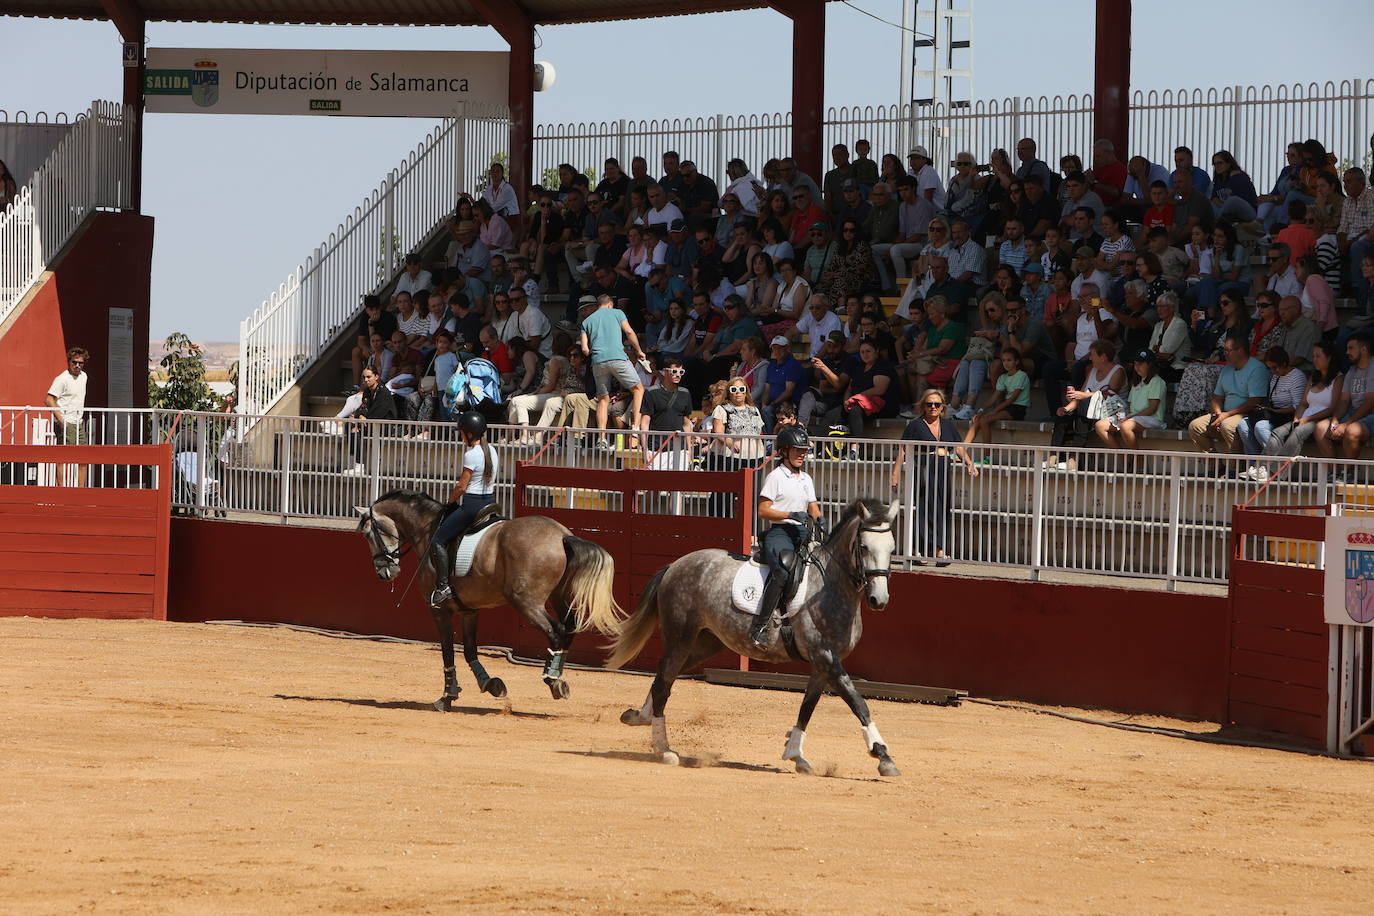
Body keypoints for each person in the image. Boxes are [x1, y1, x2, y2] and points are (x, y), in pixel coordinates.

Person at [752, 425, 823, 646]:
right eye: (796, 450)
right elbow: (762, 511)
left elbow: (813, 507)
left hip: (802, 532)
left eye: (804, 451)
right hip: (780, 532)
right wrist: (790, 514)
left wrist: (821, 520)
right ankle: (760, 627)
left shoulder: (806, 479)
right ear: (784, 451)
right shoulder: (776, 476)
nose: (802, 454)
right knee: (782, 572)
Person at [892, 389, 977, 566]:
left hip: (942, 469)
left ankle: (940, 550)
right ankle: (921, 550)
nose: (933, 407)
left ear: (942, 407)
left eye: (937, 404)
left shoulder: (948, 425)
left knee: (943, 509)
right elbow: (903, 449)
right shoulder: (915, 425)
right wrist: (895, 473)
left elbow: (959, 448)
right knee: (923, 509)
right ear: (923, 406)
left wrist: (969, 463)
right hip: (924, 470)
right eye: (929, 404)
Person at [426, 411, 499, 607]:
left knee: (438, 540)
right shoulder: (492, 450)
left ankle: (443, 587)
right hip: (490, 501)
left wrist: (449, 503)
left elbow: (461, 487)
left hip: (472, 505)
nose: (460, 435)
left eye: (462, 432)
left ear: (469, 433)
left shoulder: (471, 454)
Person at [1187, 331, 1271, 455]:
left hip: (1247, 414)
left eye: (1227, 350)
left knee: (1227, 425)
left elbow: (1255, 401)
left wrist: (1226, 415)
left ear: (1241, 351)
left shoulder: (1257, 368)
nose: (1224, 354)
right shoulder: (1227, 369)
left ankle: (1236, 468)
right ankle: (1214, 466)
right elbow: (1216, 398)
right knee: (1195, 426)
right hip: (1225, 414)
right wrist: (1218, 413)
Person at [581, 294, 646, 451]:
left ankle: (601, 439)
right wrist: (638, 351)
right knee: (638, 389)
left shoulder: (586, 321)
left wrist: (595, 353)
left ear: (598, 305)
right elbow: (629, 332)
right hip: (618, 358)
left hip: (598, 361)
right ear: (610, 304)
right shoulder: (617, 313)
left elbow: (584, 349)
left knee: (603, 399)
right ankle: (635, 428)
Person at [1260, 341, 1342, 464]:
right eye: (1313, 356)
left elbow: (1332, 408)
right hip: (1304, 419)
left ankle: (1275, 472)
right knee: (1278, 432)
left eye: (1318, 356)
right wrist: (1296, 418)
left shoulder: (1338, 379)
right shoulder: (1313, 378)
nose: (1314, 360)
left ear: (1329, 358)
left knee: (1297, 432)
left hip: (1322, 419)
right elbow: (1303, 403)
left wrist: (1307, 419)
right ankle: (1261, 467)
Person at [1049, 339, 1126, 468]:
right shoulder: (1092, 370)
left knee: (1084, 406)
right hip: (1090, 408)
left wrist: (1083, 396)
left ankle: (1073, 459)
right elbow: (1083, 394)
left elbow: (1109, 394)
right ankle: (1053, 457)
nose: (1090, 358)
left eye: (1092, 354)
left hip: (1112, 410)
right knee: (1064, 415)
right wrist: (1066, 408)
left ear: (1103, 357)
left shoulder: (1118, 371)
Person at [709, 376, 766, 514]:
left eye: (741, 389)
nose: (738, 393)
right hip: (729, 457)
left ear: (746, 392)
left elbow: (759, 431)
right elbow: (718, 432)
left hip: (754, 456)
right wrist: (730, 443)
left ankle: (750, 532)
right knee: (724, 495)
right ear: (729, 392)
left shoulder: (754, 409)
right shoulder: (722, 409)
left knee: (752, 495)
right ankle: (722, 528)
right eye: (734, 389)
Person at [1318, 332, 1374, 461]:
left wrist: (1346, 424)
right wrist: (1335, 420)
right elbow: (1344, 400)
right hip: (1355, 413)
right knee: (1320, 428)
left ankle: (1348, 472)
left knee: (1351, 430)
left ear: (1364, 349)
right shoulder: (1352, 370)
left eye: (1351, 348)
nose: (1347, 352)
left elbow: (1370, 402)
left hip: (1371, 414)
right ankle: (1335, 471)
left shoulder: (1373, 367)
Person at [1095, 350, 1166, 451]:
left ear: (1150, 365)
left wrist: (1130, 417)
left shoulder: (1157, 381)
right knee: (1100, 426)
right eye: (1135, 364)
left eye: (1140, 364)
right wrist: (1123, 414)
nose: (1137, 367)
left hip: (1152, 419)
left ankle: (1137, 459)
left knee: (1125, 426)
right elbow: (1130, 406)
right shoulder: (1136, 382)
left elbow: (1152, 409)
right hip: (1134, 418)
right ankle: (1122, 457)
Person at [964, 348, 1029, 444]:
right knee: (978, 419)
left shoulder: (1022, 376)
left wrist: (994, 411)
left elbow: (1012, 398)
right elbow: (994, 397)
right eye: (1003, 360)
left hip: (1017, 408)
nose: (1006, 363)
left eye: (1009, 360)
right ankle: (962, 448)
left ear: (1017, 361)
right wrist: (981, 410)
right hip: (1007, 408)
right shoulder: (1003, 377)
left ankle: (987, 456)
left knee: (985, 420)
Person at [46, 347, 90, 486]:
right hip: (66, 422)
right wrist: (61, 419)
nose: (77, 365)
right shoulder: (62, 379)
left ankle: (81, 491)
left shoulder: (84, 376)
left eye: (80, 363)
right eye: (74, 362)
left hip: (78, 422)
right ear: (69, 361)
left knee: (83, 459)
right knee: (63, 458)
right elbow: (49, 399)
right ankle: (61, 491)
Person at [344, 366, 399, 476]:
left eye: (369, 377)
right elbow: (361, 409)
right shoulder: (367, 391)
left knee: (355, 429)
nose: (366, 380)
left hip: (384, 425)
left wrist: (363, 418)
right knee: (349, 425)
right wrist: (360, 416)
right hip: (370, 422)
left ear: (376, 377)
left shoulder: (383, 392)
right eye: (364, 377)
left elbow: (378, 413)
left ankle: (360, 466)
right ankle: (353, 462)